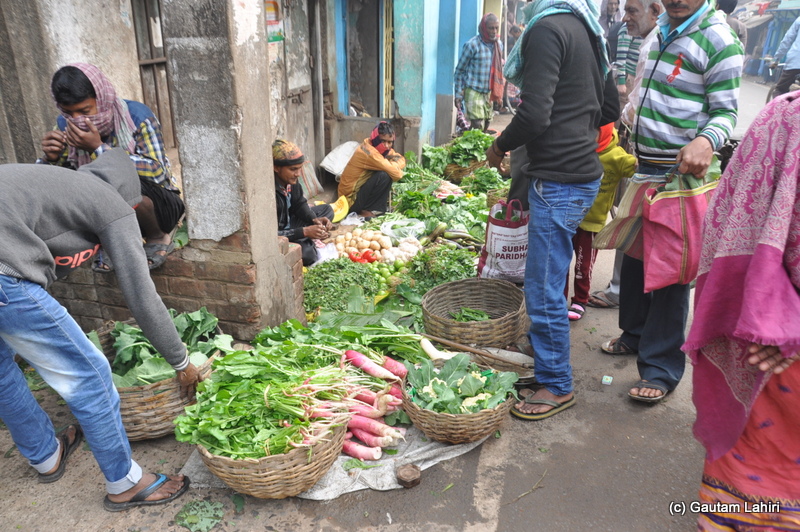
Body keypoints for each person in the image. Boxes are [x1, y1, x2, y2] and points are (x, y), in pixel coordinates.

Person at [0, 149, 202, 511]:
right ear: (140, 207)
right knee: (89, 374)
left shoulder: (67, 187)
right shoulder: (113, 204)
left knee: (1, 372)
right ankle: (125, 484)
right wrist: (180, 361)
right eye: (150, 236)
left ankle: (46, 456)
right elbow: (142, 296)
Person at [600, 0, 743, 403]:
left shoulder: (718, 38)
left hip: (681, 175)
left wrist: (705, 139)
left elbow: (726, 111)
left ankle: (661, 368)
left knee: (671, 271)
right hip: (646, 167)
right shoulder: (662, 28)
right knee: (634, 256)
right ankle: (635, 334)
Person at [488, 0, 611, 420]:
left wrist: (500, 144)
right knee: (550, 279)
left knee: (542, 287)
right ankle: (546, 361)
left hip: (559, 178)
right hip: (579, 171)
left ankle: (557, 384)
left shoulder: (546, 29)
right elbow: (608, 107)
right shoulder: (586, 27)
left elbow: (535, 113)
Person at [683, 94, 800, 530]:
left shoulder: (783, 116)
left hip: (765, 338)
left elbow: (727, 220)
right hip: (769, 338)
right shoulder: (784, 116)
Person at [39, 63, 183, 272]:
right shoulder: (64, 125)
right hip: (104, 216)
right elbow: (58, 180)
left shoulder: (137, 117)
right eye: (70, 113)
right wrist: (50, 159)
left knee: (113, 182)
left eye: (85, 111)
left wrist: (98, 149)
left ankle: (157, 237)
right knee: (72, 188)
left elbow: (157, 172)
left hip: (155, 207)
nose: (78, 120)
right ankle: (108, 241)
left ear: (101, 99)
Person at [587, 0, 664, 310]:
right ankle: (624, 294)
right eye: (624, 10)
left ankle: (622, 291)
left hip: (656, 155)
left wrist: (626, 105)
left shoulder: (658, 42)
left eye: (632, 11)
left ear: (654, 10)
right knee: (630, 215)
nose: (624, 18)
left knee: (631, 218)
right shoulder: (644, 39)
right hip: (640, 144)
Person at [565, 123, 636, 321]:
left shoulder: (616, 156)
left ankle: (580, 300)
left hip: (591, 223)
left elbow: (636, 168)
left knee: (583, 265)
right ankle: (558, 300)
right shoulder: (576, 148)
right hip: (566, 216)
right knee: (560, 264)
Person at [273, 139, 334, 266]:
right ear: (276, 168)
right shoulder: (268, 192)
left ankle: (309, 237)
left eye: (300, 169)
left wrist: (313, 219)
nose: (298, 174)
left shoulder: (291, 183)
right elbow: (272, 234)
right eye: (293, 169)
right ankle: (307, 239)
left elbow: (299, 204)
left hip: (292, 222)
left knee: (327, 210)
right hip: (279, 234)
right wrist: (304, 232)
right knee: (308, 255)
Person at [338, 121, 405, 218]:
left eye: (389, 142)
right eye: (383, 141)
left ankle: (370, 208)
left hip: (356, 194)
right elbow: (397, 175)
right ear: (376, 139)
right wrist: (392, 166)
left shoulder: (375, 146)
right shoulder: (369, 153)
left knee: (386, 170)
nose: (386, 145)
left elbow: (400, 158)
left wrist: (392, 165)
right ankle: (367, 210)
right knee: (385, 175)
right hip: (349, 201)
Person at [453, 13, 504, 132]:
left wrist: (499, 95)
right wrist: (458, 94)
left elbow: (500, 70)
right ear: (483, 28)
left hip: (488, 92)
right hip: (473, 89)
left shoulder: (498, 45)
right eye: (491, 28)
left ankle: (472, 146)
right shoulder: (472, 45)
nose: (494, 31)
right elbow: (460, 70)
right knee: (477, 124)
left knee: (486, 125)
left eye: (496, 28)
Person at [770, 15, 800, 98]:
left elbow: (787, 40)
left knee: (780, 90)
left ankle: (777, 110)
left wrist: (776, 59)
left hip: (795, 62)